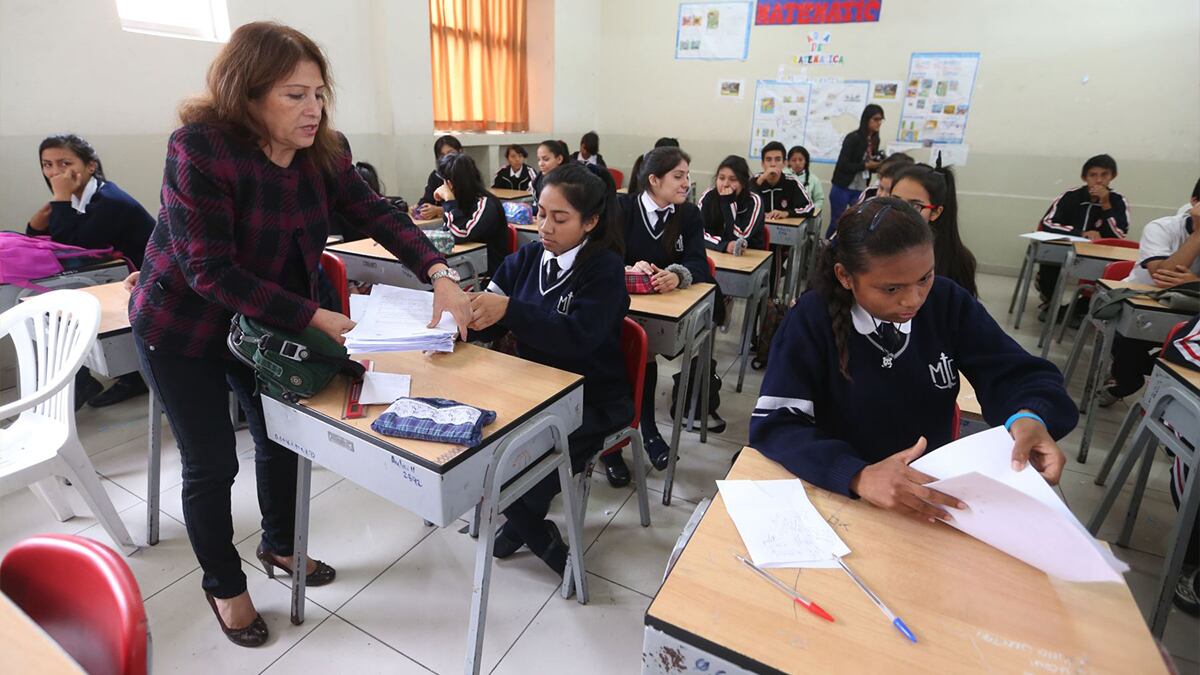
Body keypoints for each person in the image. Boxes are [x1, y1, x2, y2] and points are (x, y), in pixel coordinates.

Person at [128, 22, 471, 648]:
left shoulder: (326, 152)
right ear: (247, 94)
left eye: (319, 93)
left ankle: (282, 546)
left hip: (265, 324)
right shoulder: (199, 150)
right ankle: (224, 584)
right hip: (183, 326)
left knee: (284, 437)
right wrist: (312, 316)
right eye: (294, 95)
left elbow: (376, 214)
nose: (313, 109)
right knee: (211, 462)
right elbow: (209, 270)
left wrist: (440, 272)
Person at [749, 198, 1076, 514]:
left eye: (924, 278)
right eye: (892, 289)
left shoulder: (947, 301)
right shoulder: (811, 318)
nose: (913, 300)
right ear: (845, 276)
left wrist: (1029, 417)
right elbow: (778, 423)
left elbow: (1019, 373)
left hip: (930, 493)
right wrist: (857, 474)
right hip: (839, 495)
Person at [468, 163, 630, 575]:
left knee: (528, 457)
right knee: (478, 448)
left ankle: (528, 529)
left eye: (560, 218)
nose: (544, 226)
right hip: (530, 391)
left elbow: (578, 338)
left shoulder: (605, 270)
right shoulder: (527, 257)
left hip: (590, 398)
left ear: (591, 221)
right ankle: (534, 530)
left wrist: (510, 311)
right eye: (540, 213)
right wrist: (467, 314)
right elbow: (492, 301)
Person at [603, 146, 720, 488]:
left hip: (659, 312)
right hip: (617, 304)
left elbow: (700, 263)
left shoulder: (690, 215)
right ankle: (613, 446)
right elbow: (601, 255)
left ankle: (645, 429)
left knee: (646, 350)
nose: (686, 183)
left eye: (687, 175)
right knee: (615, 352)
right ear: (654, 180)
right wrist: (627, 267)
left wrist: (677, 275)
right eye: (678, 176)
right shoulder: (623, 207)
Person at [27, 133, 154, 408]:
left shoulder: (109, 201)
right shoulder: (80, 198)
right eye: (47, 165)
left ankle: (89, 379)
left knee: (62, 294)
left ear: (90, 166)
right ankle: (87, 378)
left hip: (145, 282)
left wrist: (59, 200)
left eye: (64, 163)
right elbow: (49, 242)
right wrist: (37, 224)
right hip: (118, 277)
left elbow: (71, 245)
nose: (54, 172)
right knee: (44, 297)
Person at [1096, 181, 1200, 406]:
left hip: (1191, 318)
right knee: (1131, 356)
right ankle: (1126, 383)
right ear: (1194, 203)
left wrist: (1195, 282)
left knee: (1178, 361)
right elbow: (1163, 277)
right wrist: (1198, 235)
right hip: (1137, 308)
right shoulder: (1162, 228)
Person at [1035, 154, 1130, 314]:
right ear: (1084, 177)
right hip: (1065, 248)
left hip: (1098, 254)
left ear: (1112, 176)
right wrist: (1081, 233)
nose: (1099, 180)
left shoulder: (1118, 200)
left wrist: (1106, 204)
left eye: (1104, 175)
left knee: (1104, 272)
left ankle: (1082, 308)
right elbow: (1047, 223)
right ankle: (1050, 302)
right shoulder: (1071, 195)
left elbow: (1119, 236)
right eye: (1093, 175)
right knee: (1050, 265)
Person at [890, 160, 978, 297]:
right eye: (895, 201)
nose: (901, 212)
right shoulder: (869, 244)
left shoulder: (954, 261)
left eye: (915, 206)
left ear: (936, 212)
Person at [436, 152, 508, 278]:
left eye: (444, 183)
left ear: (450, 184)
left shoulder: (486, 204)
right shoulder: (460, 201)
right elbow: (447, 232)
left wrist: (449, 201)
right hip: (468, 268)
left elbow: (459, 235)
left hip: (488, 275)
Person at [829, 104, 884, 226]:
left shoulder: (875, 140)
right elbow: (843, 165)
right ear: (866, 119)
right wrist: (866, 165)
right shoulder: (853, 138)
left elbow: (871, 163)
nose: (879, 123)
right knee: (837, 222)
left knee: (856, 223)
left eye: (881, 120)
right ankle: (830, 245)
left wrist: (878, 165)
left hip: (860, 187)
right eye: (875, 119)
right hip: (842, 186)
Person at [699, 155, 765, 254]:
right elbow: (697, 233)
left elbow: (740, 239)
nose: (725, 184)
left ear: (743, 183)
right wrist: (723, 246)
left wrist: (728, 203)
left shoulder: (754, 201)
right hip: (715, 252)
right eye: (721, 178)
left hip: (749, 257)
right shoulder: (708, 196)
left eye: (733, 179)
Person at [751, 141, 815, 221]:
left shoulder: (792, 182)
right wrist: (760, 180)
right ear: (762, 164)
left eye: (777, 159)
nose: (773, 164)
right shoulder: (754, 180)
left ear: (784, 163)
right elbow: (742, 205)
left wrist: (786, 213)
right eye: (768, 160)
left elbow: (809, 208)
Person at [415, 134, 463, 220]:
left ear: (460, 152)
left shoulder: (467, 174)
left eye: (450, 153)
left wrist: (440, 210)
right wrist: (420, 207)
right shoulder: (436, 176)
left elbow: (469, 206)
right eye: (442, 155)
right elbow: (427, 199)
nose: (446, 158)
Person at [786, 145, 825, 216]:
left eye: (800, 160)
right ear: (788, 162)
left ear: (805, 161)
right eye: (794, 160)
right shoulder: (783, 175)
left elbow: (819, 200)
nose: (797, 163)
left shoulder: (814, 179)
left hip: (807, 216)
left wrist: (811, 211)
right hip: (786, 214)